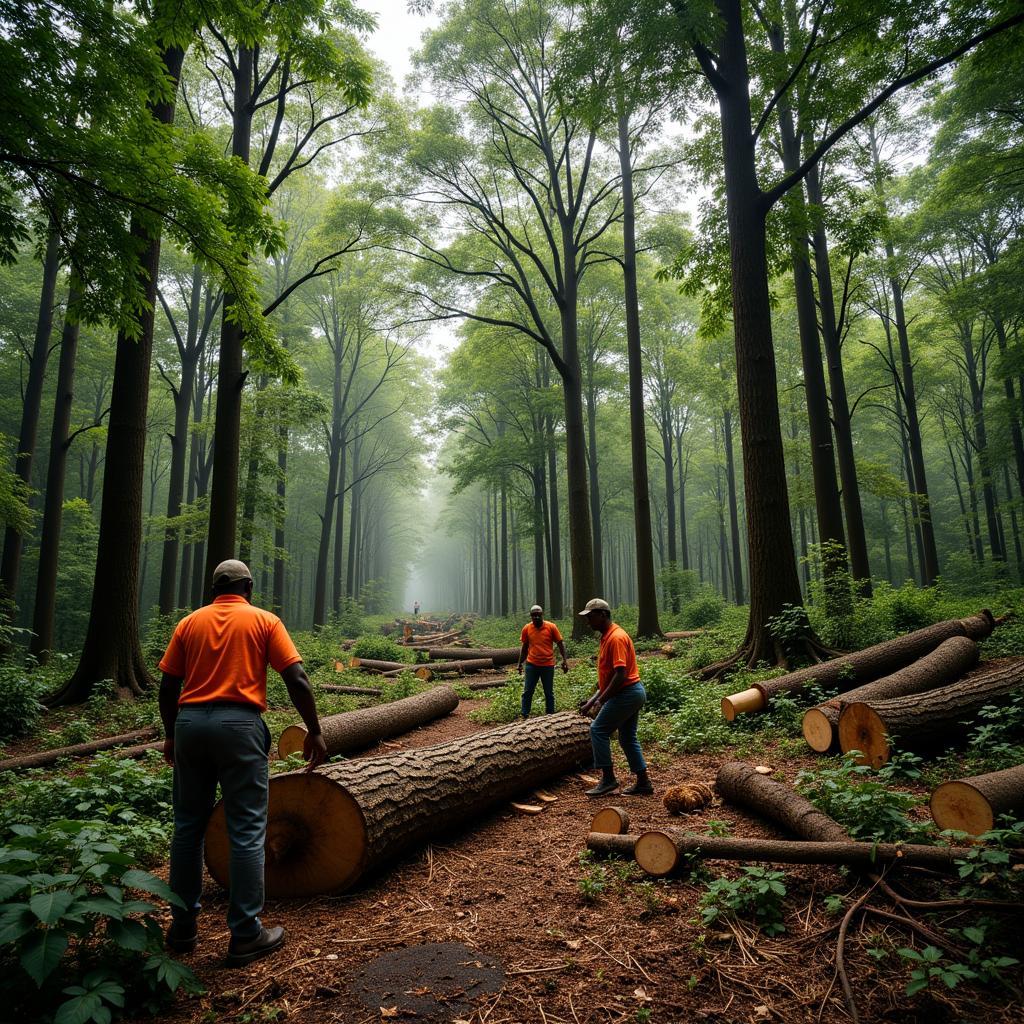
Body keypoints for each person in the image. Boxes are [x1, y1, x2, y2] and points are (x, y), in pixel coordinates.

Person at [158, 559, 327, 968]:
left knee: (187, 828)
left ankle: (182, 927)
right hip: (240, 726)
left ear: (214, 587)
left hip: (191, 724)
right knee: (248, 829)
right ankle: (246, 934)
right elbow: (297, 679)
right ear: (248, 586)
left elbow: (168, 686)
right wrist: (314, 730)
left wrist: (171, 733)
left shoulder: (189, 624)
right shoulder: (265, 621)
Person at [577, 598, 653, 797]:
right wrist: (592, 701)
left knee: (598, 730)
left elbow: (620, 675)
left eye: (590, 617)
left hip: (627, 693)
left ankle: (608, 780)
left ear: (603, 615)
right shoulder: (606, 637)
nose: (588, 622)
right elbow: (608, 679)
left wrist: (602, 701)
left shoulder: (616, 638)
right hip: (630, 693)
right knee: (627, 738)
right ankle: (644, 782)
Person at [516, 604, 569, 717]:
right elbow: (524, 647)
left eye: (538, 615)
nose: (536, 618)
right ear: (530, 616)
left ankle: (550, 715)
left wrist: (565, 660)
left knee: (549, 692)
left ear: (542, 615)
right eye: (533, 615)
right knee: (528, 691)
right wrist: (520, 663)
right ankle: (524, 715)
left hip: (548, 665)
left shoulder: (551, 627)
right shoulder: (527, 628)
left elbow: (560, 643)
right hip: (531, 665)